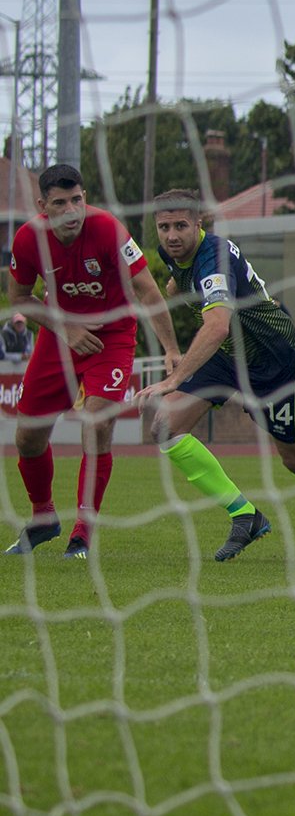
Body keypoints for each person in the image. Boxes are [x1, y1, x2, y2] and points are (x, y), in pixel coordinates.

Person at [135, 189, 295, 561]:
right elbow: (174, 285)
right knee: (165, 428)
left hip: (274, 357)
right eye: (164, 227)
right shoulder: (172, 256)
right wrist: (173, 329)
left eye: (181, 226)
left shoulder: (213, 256)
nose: (171, 236)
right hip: (229, 357)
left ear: (198, 224)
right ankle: (244, 515)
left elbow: (217, 325)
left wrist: (172, 378)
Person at [5, 164, 178, 559]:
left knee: (96, 421)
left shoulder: (107, 229)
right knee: (27, 436)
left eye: (77, 200)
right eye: (60, 203)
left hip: (112, 337)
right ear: (43, 207)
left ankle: (83, 531)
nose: (72, 210)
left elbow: (148, 291)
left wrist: (171, 349)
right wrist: (65, 328)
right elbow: (19, 297)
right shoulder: (28, 238)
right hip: (58, 336)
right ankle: (43, 517)